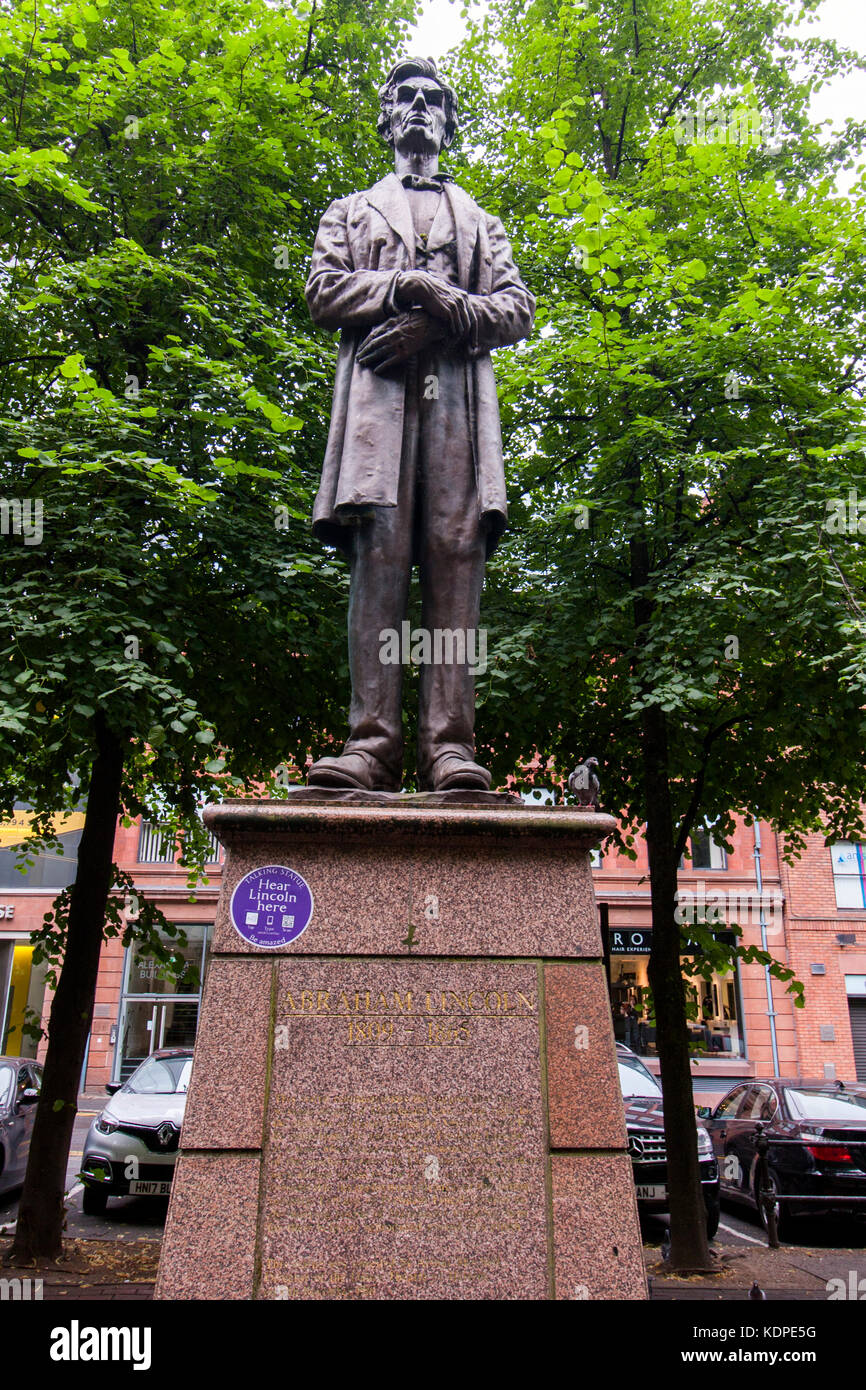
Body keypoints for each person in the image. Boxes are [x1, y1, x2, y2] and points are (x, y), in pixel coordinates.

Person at [305, 57, 535, 792]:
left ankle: (450, 748)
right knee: (378, 557)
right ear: (386, 116)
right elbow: (323, 290)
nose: (418, 106)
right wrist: (405, 285)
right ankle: (370, 745)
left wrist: (432, 318)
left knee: (454, 558)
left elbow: (515, 311)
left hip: (456, 410)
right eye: (404, 96)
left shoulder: (481, 221)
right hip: (378, 408)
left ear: (449, 120)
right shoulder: (350, 210)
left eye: (432, 98)